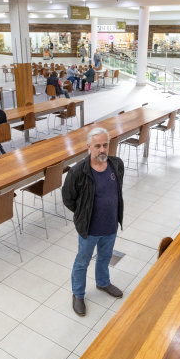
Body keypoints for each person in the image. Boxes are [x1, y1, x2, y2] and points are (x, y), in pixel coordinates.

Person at [62, 127, 125, 316]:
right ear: (89, 146)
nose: (102, 149)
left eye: (105, 145)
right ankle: (78, 294)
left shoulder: (116, 164)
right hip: (89, 229)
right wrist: (83, 213)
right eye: (97, 146)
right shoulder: (78, 172)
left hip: (110, 225)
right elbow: (68, 198)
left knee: (105, 258)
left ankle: (103, 283)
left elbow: (116, 191)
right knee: (82, 262)